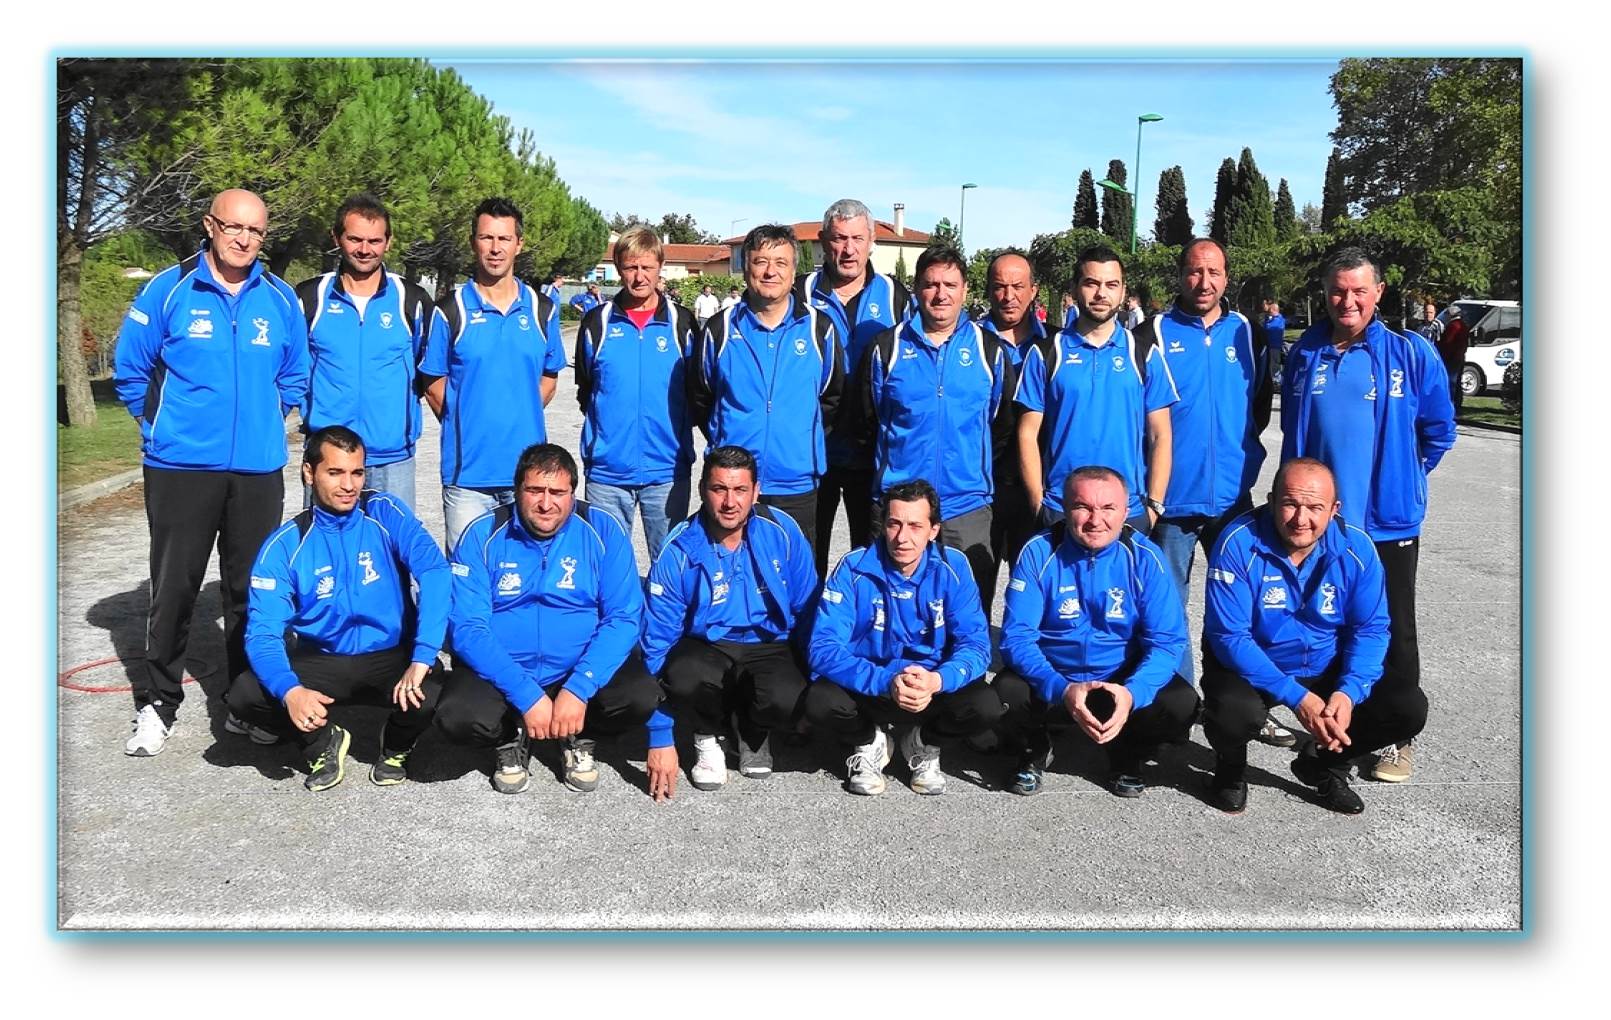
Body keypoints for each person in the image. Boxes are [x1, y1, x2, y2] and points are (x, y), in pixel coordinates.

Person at [113, 188, 310, 757]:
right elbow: (131, 368)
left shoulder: (279, 299)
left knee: (250, 591)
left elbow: (295, 371)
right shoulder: (169, 288)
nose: (244, 239)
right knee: (174, 587)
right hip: (180, 468)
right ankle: (158, 703)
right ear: (210, 225)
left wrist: (271, 417)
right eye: (234, 228)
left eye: (256, 231)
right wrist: (158, 428)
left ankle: (246, 703)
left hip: (255, 470)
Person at [1281, 247, 1456, 783]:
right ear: (1325, 295)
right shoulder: (1305, 352)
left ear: (1378, 293)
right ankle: (1339, 725)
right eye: (1338, 291)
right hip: (1323, 525)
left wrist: (1403, 481)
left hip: (1386, 525)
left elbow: (1439, 430)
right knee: (1331, 624)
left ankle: (1394, 739)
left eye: (1359, 290)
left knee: (1395, 632)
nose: (1348, 300)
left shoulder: (1411, 353)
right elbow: (1295, 436)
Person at [435, 444, 672, 798]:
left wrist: (579, 688)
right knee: (457, 716)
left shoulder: (602, 530)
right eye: (535, 491)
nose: (546, 504)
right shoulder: (482, 534)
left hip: (576, 666)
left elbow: (623, 618)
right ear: (517, 491)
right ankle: (510, 738)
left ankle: (578, 734)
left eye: (557, 492)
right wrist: (527, 694)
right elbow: (468, 629)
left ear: (572, 494)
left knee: (639, 696)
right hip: (507, 670)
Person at [225, 426, 450, 791]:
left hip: (389, 654)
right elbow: (263, 632)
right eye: (335, 472)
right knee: (246, 696)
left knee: (436, 691)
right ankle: (322, 742)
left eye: (356, 472)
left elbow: (436, 572)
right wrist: (290, 692)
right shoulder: (285, 544)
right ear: (309, 473)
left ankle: (395, 746)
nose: (349, 485)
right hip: (324, 659)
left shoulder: (385, 512)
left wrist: (422, 656)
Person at [1201, 458, 1426, 814]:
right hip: (1255, 661)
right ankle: (1229, 771)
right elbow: (1230, 637)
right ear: (1272, 500)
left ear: (1334, 509)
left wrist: (1348, 693)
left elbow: (1370, 628)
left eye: (1314, 507)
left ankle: (1322, 766)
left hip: (1324, 659)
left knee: (1406, 708)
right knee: (1233, 712)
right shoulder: (1237, 543)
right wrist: (1296, 697)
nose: (1301, 519)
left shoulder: (1358, 549)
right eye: (1290, 503)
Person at [1136, 239, 1284, 740]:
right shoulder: (1151, 334)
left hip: (1231, 500)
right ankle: (1179, 704)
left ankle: (1243, 701)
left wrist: (1241, 459)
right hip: (1171, 503)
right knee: (1168, 606)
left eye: (1214, 272)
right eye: (1195, 272)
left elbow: (1258, 406)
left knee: (1240, 606)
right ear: (1180, 276)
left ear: (1227, 277)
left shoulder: (1248, 333)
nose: (1204, 282)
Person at [995, 467, 1198, 797]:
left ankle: (1126, 754)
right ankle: (1033, 749)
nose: (1095, 520)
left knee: (1182, 703)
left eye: (1108, 508)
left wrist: (1133, 692)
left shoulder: (1144, 557)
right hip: (1057, 676)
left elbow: (1167, 641)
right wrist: (1061, 688)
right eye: (1083, 507)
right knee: (1005, 692)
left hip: (1119, 678)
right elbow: (1017, 638)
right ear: (1064, 507)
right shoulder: (1039, 551)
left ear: (1126, 511)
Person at [641, 446, 818, 791]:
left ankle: (753, 730)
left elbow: (809, 610)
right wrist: (659, 735)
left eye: (740, 490)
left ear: (756, 491)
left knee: (790, 697)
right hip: (707, 643)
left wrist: (817, 685)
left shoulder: (782, 531)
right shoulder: (679, 547)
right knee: (685, 677)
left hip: (769, 643)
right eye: (719, 489)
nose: (729, 502)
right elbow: (656, 639)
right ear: (702, 490)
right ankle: (707, 734)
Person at [805, 480, 997, 796]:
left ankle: (924, 744)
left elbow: (975, 644)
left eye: (915, 526)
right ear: (883, 524)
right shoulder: (853, 567)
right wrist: (885, 681)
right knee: (819, 701)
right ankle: (869, 742)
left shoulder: (954, 567)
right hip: (873, 684)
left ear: (934, 529)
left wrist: (938, 680)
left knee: (986, 705)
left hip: (929, 686)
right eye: (894, 523)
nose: (902, 537)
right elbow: (823, 647)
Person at [862, 245, 1010, 605]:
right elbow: (871, 420)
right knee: (894, 609)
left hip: (967, 506)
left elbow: (999, 425)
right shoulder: (886, 347)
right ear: (916, 289)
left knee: (966, 611)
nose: (940, 294)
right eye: (930, 284)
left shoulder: (989, 350)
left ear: (965, 290)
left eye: (950, 284)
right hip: (899, 508)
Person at [419, 197, 566, 552]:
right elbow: (433, 383)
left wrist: (520, 409)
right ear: (474, 242)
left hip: (528, 478)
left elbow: (549, 377)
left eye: (504, 239)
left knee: (520, 584)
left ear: (519, 243)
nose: (495, 248)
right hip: (467, 478)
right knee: (467, 582)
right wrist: (465, 417)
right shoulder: (449, 311)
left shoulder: (542, 310)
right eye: (487, 238)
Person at [690, 224, 843, 554]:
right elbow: (702, 397)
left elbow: (831, 399)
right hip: (733, 483)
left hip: (797, 483)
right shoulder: (719, 330)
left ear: (794, 271)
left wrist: (798, 437)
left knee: (798, 588)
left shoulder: (820, 329)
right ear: (746, 268)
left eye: (781, 262)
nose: (770, 271)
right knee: (731, 584)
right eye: (760, 262)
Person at [1016, 245, 1176, 535]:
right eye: (1091, 283)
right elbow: (1027, 433)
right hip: (1062, 508)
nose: (1102, 293)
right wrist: (1039, 504)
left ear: (1123, 291)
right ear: (1075, 289)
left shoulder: (1144, 354)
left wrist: (1154, 507)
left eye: (1111, 284)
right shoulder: (1046, 353)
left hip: (1129, 511)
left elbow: (1160, 434)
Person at [296, 192, 440, 512]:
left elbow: (429, 372)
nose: (365, 249)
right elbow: (292, 372)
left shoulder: (411, 300)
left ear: (388, 242)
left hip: (392, 461)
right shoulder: (309, 298)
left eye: (375, 240)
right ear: (337, 238)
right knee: (325, 557)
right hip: (328, 459)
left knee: (392, 556)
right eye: (355, 239)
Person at [794, 199, 913, 577]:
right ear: (824, 240)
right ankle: (808, 633)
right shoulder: (798, 294)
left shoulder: (897, 298)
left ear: (872, 240)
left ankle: (866, 630)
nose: (848, 249)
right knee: (807, 557)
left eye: (857, 239)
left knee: (872, 557)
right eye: (839, 239)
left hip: (872, 456)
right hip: (812, 454)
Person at [574, 225, 697, 565]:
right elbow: (588, 390)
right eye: (631, 267)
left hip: (667, 473)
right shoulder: (596, 324)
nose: (639, 276)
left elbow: (696, 393)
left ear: (660, 267)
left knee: (670, 570)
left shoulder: (682, 324)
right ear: (618, 268)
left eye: (647, 267)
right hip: (608, 475)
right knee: (606, 569)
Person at [974, 250, 1049, 604]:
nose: (1009, 296)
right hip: (983, 486)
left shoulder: (1057, 344)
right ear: (988, 290)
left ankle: (1023, 657)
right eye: (1000, 287)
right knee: (974, 587)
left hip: (1037, 484)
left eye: (1018, 286)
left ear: (1034, 289)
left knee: (1033, 588)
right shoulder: (968, 343)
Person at [1437, 305, 1469, 415]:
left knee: (1451, 383)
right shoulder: (1463, 325)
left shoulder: (1453, 326)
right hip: (1459, 358)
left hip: (1451, 359)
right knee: (1457, 383)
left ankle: (1451, 405)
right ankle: (1457, 405)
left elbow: (1447, 344)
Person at [1262, 298, 1288, 383]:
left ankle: (1277, 381)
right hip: (1269, 346)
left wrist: (1268, 321)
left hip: (1275, 346)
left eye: (1270, 310)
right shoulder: (1271, 319)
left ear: (1274, 310)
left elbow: (1269, 328)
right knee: (1270, 364)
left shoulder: (1278, 320)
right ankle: (1273, 379)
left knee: (1274, 365)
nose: (1269, 312)